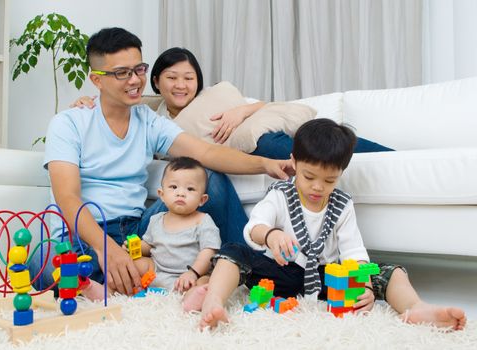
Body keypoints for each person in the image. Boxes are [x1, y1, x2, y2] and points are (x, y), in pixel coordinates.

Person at [29, 27, 293, 297]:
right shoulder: (69, 123)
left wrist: (266, 164)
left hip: (138, 232)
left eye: (139, 69)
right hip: (85, 235)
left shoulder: (148, 120)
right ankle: (129, 277)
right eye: (122, 73)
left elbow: (207, 153)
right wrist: (105, 248)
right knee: (42, 265)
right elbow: (68, 197)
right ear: (97, 80)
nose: (134, 80)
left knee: (209, 177)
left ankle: (246, 267)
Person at [195, 118, 466, 331]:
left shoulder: (342, 204)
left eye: (329, 181)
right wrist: (271, 235)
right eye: (309, 176)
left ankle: (415, 307)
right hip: (278, 272)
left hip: (328, 277)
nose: (317, 187)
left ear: (340, 174)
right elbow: (254, 227)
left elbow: (354, 252)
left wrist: (366, 286)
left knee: (389, 270)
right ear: (294, 162)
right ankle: (214, 300)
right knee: (232, 252)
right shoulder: (281, 194)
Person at [73, 47, 393, 159]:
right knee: (285, 146)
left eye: (189, 77)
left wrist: (243, 110)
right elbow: (121, 100)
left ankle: (389, 156)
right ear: (156, 81)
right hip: (254, 148)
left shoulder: (213, 99)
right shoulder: (151, 111)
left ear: (198, 81)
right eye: (172, 78)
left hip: (263, 131)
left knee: (318, 136)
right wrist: (90, 99)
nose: (181, 85)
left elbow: (265, 105)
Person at [83, 156, 221, 302]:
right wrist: (134, 248)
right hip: (156, 270)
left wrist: (193, 273)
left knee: (208, 281)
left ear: (202, 199)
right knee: (132, 264)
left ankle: (193, 298)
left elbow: (209, 251)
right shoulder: (157, 219)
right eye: (173, 187)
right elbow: (149, 246)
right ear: (162, 195)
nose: (181, 193)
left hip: (187, 275)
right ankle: (107, 291)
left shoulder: (203, 221)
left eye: (190, 189)